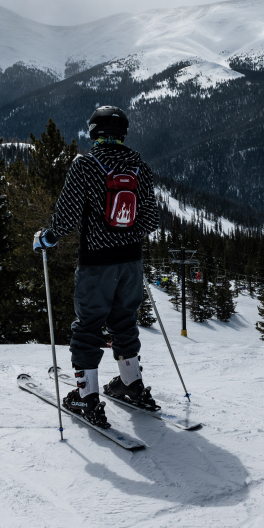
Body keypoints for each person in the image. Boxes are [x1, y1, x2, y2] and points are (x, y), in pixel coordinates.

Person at [34, 106, 160, 428]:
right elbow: (151, 220)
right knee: (125, 322)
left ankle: (85, 398)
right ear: (123, 133)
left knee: (89, 327)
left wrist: (47, 238)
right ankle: (131, 384)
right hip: (131, 262)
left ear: (93, 132)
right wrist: (124, 235)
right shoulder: (139, 168)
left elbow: (66, 217)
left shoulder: (86, 165)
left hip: (96, 264)